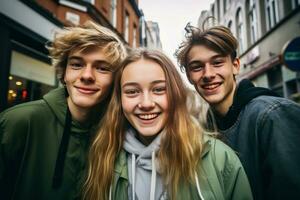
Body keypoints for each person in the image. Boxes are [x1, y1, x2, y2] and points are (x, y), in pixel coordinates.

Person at [83, 48, 253, 200]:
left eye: (158, 89)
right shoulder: (102, 158)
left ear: (176, 95)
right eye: (132, 91)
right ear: (119, 100)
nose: (146, 103)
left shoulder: (219, 158)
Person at [0, 21, 126, 199]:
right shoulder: (19, 121)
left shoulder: (117, 134)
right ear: (64, 73)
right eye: (76, 64)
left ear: (115, 80)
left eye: (102, 68)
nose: (87, 76)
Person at [175, 22, 300, 200]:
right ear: (188, 76)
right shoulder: (204, 128)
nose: (208, 74)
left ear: (235, 65)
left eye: (217, 62)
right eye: (197, 67)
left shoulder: (272, 116)